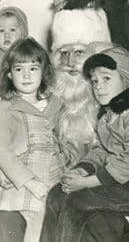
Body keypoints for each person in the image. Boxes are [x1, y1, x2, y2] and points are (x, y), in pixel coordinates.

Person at [41, 45, 129, 241]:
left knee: (77, 201)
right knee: (56, 194)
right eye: (94, 81)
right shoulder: (110, 114)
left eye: (106, 79)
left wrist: (87, 182)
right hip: (119, 179)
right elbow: (103, 150)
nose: (98, 86)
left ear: (126, 79)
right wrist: (83, 169)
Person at [0, 37, 63, 242]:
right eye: (19, 69)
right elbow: (2, 150)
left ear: (43, 72)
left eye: (33, 68)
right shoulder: (6, 107)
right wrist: (28, 180)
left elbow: (66, 144)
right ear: (9, 74)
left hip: (51, 184)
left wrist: (62, 164)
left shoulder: (56, 106)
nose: (26, 75)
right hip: (21, 185)